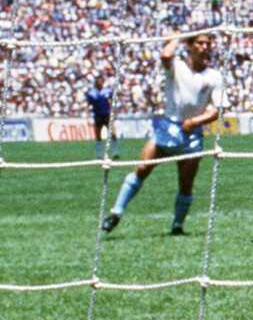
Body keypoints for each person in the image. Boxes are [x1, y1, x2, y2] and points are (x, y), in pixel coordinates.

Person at [102, 33, 225, 236]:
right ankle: (116, 212)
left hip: (191, 135)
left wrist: (195, 121)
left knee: (186, 184)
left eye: (208, 44)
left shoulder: (214, 76)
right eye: (200, 43)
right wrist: (178, 36)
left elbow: (218, 109)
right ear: (190, 46)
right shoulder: (177, 66)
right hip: (167, 127)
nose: (205, 47)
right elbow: (165, 55)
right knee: (142, 168)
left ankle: (177, 226)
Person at [86, 74, 118, 160]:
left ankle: (115, 152)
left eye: (101, 81)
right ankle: (99, 154)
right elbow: (89, 105)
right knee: (98, 135)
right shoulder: (91, 93)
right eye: (98, 81)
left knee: (113, 133)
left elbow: (111, 102)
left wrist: (113, 112)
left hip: (107, 115)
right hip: (98, 115)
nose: (100, 83)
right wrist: (87, 115)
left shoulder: (107, 91)